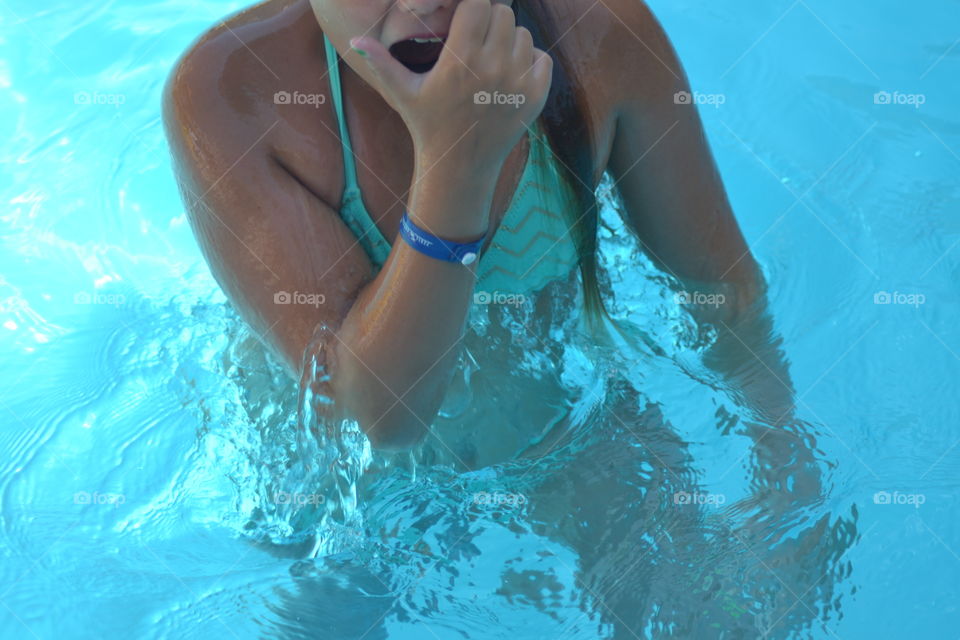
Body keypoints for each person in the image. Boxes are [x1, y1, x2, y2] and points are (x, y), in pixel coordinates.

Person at [162, 0, 780, 452]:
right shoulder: (233, 95)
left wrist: (785, 463)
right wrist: (459, 158)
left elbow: (728, 296)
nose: (426, 3)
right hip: (340, 502)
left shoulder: (599, 36)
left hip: (554, 424)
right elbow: (371, 421)